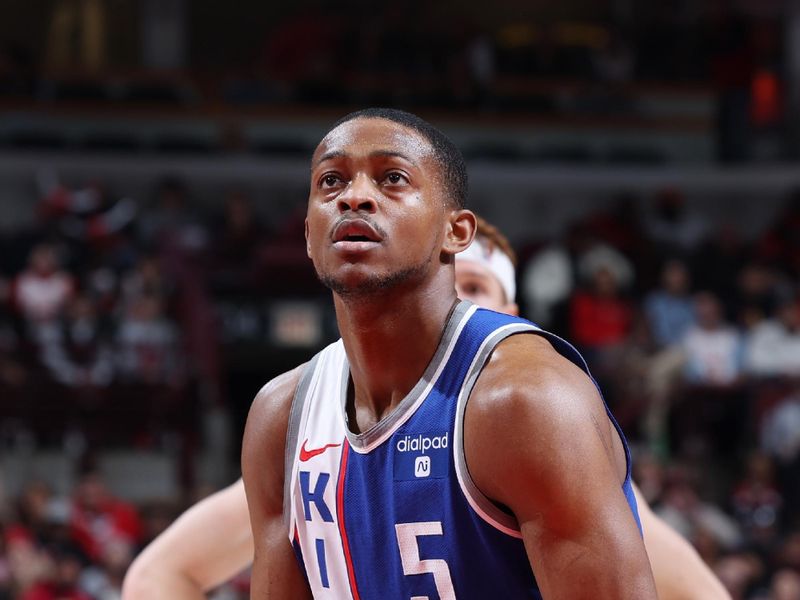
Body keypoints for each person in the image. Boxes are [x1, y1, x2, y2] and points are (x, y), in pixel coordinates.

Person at [122, 111, 723, 599]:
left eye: (392, 179)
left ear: (456, 233)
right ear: (306, 234)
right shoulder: (281, 416)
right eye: (331, 181)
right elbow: (156, 574)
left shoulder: (528, 402)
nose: (355, 197)